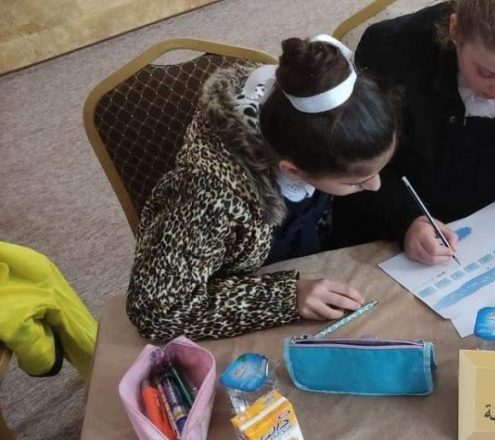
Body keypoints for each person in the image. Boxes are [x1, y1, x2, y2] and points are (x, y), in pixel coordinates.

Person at [127, 35, 398, 341]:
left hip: (315, 267)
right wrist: (285, 298)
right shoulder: (210, 195)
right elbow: (157, 309)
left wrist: (407, 219)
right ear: (293, 171)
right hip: (247, 309)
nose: (375, 185)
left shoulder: (315, 133)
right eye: (355, 182)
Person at [334, 0, 495, 266]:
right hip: (403, 238)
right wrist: (405, 220)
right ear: (455, 30)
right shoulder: (391, 48)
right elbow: (358, 165)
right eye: (486, 73)